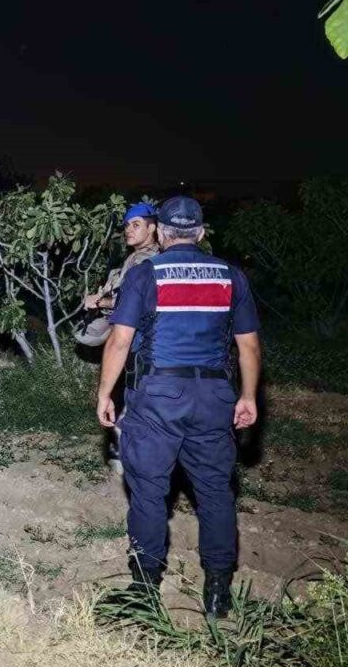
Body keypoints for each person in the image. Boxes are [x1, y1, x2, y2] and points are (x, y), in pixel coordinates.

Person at [95, 196, 260, 618]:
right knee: (215, 494)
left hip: (158, 397)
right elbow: (249, 346)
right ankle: (218, 593)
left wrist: (104, 395)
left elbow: (120, 340)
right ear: (201, 233)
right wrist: (248, 396)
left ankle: (145, 592)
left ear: (162, 233)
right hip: (215, 399)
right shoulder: (231, 276)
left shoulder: (147, 273)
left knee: (149, 492)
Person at [76, 202, 160, 347]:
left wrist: (99, 302)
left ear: (151, 228)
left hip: (141, 337)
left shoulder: (144, 260)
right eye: (127, 225)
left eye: (136, 225)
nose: (128, 230)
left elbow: (137, 302)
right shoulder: (139, 255)